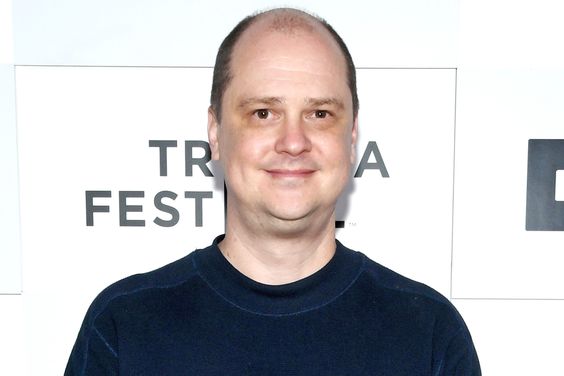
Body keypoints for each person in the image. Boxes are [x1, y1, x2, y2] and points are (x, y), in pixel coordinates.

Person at [65, 7, 481, 375]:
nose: (294, 141)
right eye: (263, 113)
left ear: (351, 135)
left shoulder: (427, 332)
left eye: (320, 114)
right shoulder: (125, 325)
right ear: (216, 132)